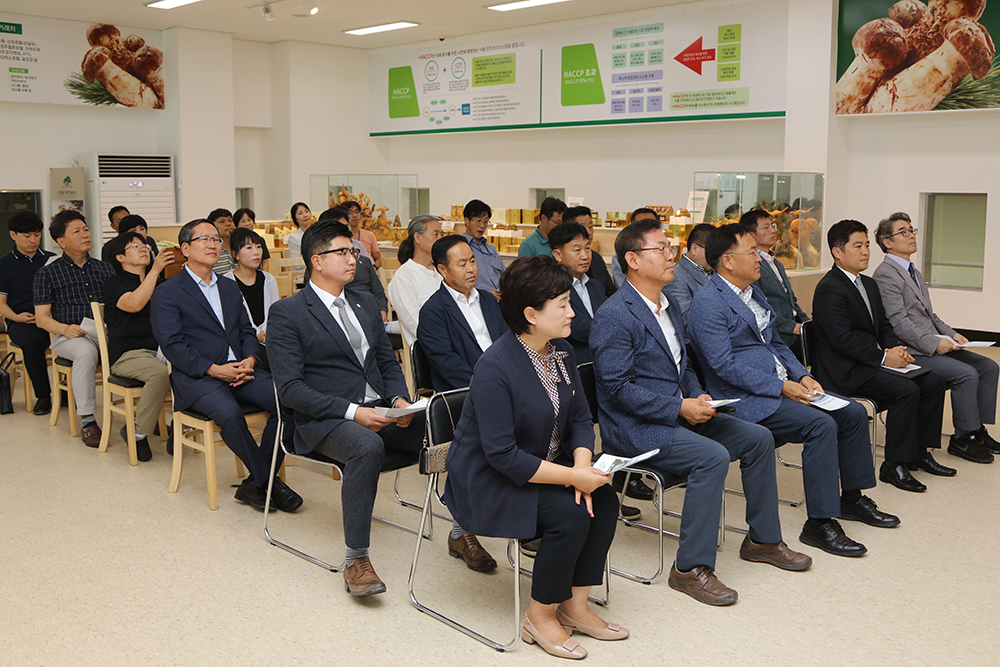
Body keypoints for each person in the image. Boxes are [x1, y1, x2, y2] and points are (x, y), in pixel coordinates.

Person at [591, 219, 811, 607]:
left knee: (757, 438)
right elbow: (618, 388)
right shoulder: (615, 314)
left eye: (669, 246)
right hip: (635, 427)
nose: (670, 255)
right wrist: (679, 405)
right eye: (659, 248)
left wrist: (698, 396)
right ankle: (689, 569)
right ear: (633, 260)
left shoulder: (669, 303)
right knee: (711, 458)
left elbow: (684, 365)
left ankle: (763, 540)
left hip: (679, 412)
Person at [444, 256, 627, 659]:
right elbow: (502, 455)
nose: (572, 312)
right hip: (491, 479)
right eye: (561, 303)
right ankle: (540, 614)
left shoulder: (559, 351)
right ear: (530, 313)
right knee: (571, 514)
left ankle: (575, 606)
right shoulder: (495, 366)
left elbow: (581, 417)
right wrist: (570, 477)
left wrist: (581, 466)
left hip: (547, 465)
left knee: (605, 500)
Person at [688, 223, 896, 559]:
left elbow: (775, 342)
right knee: (821, 425)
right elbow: (724, 367)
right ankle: (819, 523)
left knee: (853, 412)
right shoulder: (708, 303)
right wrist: (781, 386)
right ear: (727, 260)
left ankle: (852, 498)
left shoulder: (752, 292)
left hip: (780, 384)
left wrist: (801, 375)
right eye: (752, 252)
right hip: (747, 398)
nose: (760, 258)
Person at [267, 220, 424, 597]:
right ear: (316, 261)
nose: (353, 259)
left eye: (353, 251)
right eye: (342, 252)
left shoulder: (365, 301)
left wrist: (400, 400)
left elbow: (387, 362)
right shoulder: (288, 312)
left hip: (381, 409)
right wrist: (354, 412)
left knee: (449, 424)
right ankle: (357, 558)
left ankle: (460, 530)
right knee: (365, 446)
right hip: (325, 418)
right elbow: (290, 390)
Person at [151, 219, 302, 513]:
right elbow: (173, 344)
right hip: (198, 377)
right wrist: (212, 369)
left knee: (290, 402)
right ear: (185, 248)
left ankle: (255, 483)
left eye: (216, 239)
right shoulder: (168, 292)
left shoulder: (229, 287)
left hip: (241, 369)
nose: (212, 244)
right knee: (230, 414)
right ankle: (268, 482)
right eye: (204, 239)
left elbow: (246, 330)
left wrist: (250, 359)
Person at [811, 220, 951, 490]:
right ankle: (893, 465)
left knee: (932, 381)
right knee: (905, 390)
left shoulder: (868, 284)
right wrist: (885, 359)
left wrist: (892, 349)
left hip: (870, 362)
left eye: (866, 245)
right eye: (857, 246)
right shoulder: (830, 288)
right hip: (844, 371)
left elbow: (884, 325)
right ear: (837, 252)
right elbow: (842, 340)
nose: (865, 251)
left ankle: (920, 453)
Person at [873, 212, 998, 463]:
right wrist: (934, 343)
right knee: (965, 374)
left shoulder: (913, 272)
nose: (911, 236)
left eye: (912, 231)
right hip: (914, 349)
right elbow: (899, 323)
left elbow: (930, 315)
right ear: (887, 242)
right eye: (903, 232)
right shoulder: (886, 274)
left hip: (933, 340)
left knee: (988, 366)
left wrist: (952, 334)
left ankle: (976, 429)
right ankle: (963, 438)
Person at [34, 210, 116, 446]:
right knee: (85, 352)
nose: (85, 235)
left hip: (105, 332)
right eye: (77, 231)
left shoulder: (105, 269)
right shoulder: (47, 273)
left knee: (137, 347)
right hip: (69, 336)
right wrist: (64, 328)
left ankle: (142, 414)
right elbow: (41, 318)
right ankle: (88, 421)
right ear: (61, 241)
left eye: (86, 229)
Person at [102, 231, 175, 461]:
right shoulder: (114, 283)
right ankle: (137, 432)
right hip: (128, 354)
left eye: (144, 244)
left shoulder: (160, 283)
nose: (143, 247)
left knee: (196, 367)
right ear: (120, 257)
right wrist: (155, 270)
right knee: (160, 374)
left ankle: (181, 427)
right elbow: (134, 304)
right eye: (134, 246)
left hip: (161, 349)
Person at [417, 235, 508, 392]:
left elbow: (506, 341)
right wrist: (488, 385)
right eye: (462, 264)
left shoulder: (488, 299)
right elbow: (447, 364)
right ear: (443, 270)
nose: (471, 269)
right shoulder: (433, 311)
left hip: (504, 380)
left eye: (472, 261)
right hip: (468, 392)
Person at [0, 211, 55, 415]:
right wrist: (15, 317)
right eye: (27, 235)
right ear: (13, 235)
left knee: (73, 336)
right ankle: (43, 396)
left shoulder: (52, 260)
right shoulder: (4, 264)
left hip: (50, 318)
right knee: (33, 342)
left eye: (37, 235)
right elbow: (1, 302)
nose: (33, 240)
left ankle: (67, 392)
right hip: (22, 320)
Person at [740, 209, 811, 361]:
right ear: (751, 234)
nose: (773, 230)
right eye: (766, 227)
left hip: (796, 329)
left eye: (772, 225)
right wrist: (794, 328)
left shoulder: (777, 263)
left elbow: (792, 300)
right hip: (779, 335)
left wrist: (807, 323)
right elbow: (759, 307)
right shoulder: (753, 265)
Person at [318, 206, 388, 321]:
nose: (344, 231)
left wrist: (382, 312)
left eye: (346, 227)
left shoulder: (363, 260)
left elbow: (379, 293)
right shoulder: (322, 265)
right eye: (338, 227)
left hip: (372, 315)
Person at [549, 221, 604, 364]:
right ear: (558, 255)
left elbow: (608, 316)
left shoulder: (595, 286)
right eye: (577, 250)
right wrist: (610, 328)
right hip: (573, 362)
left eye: (587, 248)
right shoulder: (554, 287)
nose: (585, 256)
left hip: (603, 359)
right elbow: (573, 327)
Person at [386, 215, 442, 345]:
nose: (440, 239)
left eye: (441, 234)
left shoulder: (442, 270)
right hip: (430, 345)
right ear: (417, 237)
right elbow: (415, 323)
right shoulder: (403, 277)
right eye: (436, 234)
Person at [224, 227, 279, 347]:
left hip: (270, 340)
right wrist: (254, 336)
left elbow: (275, 314)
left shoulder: (268, 279)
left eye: (258, 247)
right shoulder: (226, 283)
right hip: (242, 343)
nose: (256, 252)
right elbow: (230, 323)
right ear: (235, 254)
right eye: (249, 247)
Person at [663, 222, 715, 338]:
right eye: (712, 251)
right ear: (695, 248)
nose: (716, 256)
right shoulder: (676, 275)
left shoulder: (715, 270)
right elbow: (684, 319)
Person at [564, 205, 616, 297]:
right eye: (582, 227)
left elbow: (611, 291)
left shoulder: (596, 258)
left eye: (590, 226)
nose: (588, 232)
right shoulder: (560, 264)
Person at [461, 198, 504, 297]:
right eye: (478, 221)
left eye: (486, 222)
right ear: (466, 220)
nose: (482, 226)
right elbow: (459, 283)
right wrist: (487, 295)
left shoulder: (491, 249)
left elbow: (504, 275)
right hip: (477, 301)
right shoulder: (460, 248)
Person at [611, 208, 659, 287]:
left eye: (652, 226)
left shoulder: (665, 253)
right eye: (642, 226)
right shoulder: (621, 256)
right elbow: (623, 286)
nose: (647, 230)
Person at [342, 200, 381, 268]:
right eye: (350, 212)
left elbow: (378, 259)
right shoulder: (341, 238)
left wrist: (373, 270)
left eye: (357, 212)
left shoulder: (369, 235)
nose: (354, 215)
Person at [234, 207, 270, 273]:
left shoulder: (260, 240)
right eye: (243, 221)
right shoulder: (234, 240)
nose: (247, 223)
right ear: (236, 225)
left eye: (249, 220)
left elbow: (265, 261)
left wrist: (265, 276)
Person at [207, 208, 237, 275]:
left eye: (230, 220)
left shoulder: (240, 245)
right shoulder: (209, 248)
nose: (228, 224)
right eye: (222, 221)